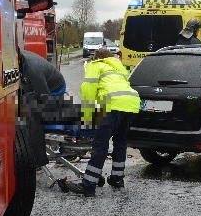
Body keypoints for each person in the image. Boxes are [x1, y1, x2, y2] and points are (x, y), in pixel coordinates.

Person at [59, 48, 140, 196]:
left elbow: (88, 93)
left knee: (100, 145)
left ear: (96, 58)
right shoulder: (119, 67)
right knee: (120, 142)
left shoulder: (95, 65)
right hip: (132, 105)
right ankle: (117, 178)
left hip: (113, 106)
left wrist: (88, 118)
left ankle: (88, 184)